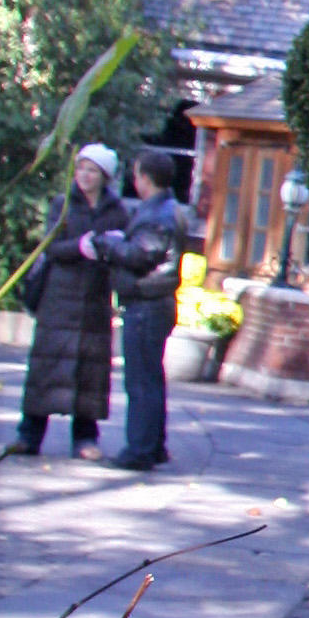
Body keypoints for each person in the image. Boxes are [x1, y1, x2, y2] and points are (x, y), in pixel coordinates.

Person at [4, 143, 124, 459]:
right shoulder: (63, 203)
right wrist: (80, 247)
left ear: (104, 176)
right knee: (46, 365)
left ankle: (85, 438)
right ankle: (29, 435)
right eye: (81, 168)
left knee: (89, 368)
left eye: (92, 170)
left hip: (93, 298)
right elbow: (52, 248)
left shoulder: (117, 210)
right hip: (59, 296)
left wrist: (109, 247)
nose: (84, 175)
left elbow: (122, 249)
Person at [104, 149, 200, 472]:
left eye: (136, 174)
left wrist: (109, 244)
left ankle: (140, 449)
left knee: (141, 380)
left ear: (144, 177)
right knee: (151, 377)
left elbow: (142, 255)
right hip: (154, 301)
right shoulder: (167, 210)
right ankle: (153, 445)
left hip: (147, 302)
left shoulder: (158, 215)